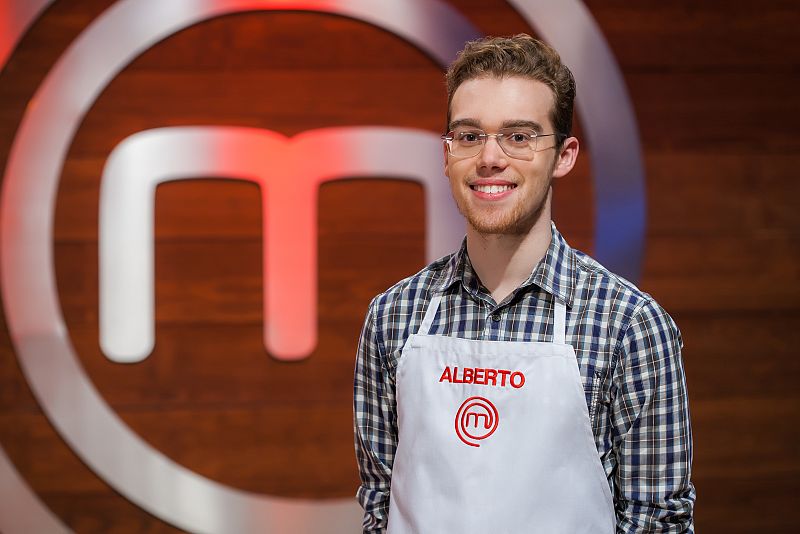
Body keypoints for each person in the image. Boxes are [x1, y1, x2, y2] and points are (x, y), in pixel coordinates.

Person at [353, 34, 695, 533]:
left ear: (563, 155)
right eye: (469, 136)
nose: (490, 158)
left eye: (518, 136)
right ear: (447, 155)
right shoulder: (393, 317)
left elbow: (659, 524)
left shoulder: (630, 327)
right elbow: (381, 505)